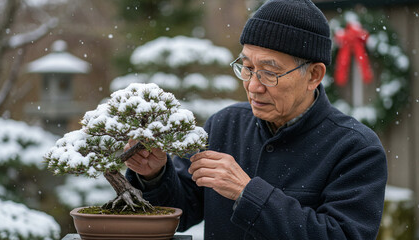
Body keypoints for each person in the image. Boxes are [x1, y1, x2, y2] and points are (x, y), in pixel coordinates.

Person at [124, 0, 387, 239]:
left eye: (269, 73)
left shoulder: (356, 148)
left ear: (314, 75)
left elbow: (342, 235)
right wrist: (155, 175)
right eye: (247, 68)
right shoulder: (224, 125)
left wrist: (247, 193)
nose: (253, 86)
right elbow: (181, 212)